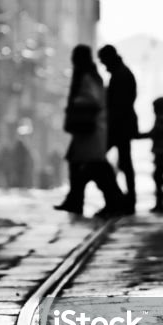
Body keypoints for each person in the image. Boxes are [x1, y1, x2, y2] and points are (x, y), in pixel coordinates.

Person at [54, 45, 125, 217]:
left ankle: (112, 201)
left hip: (90, 128)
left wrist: (76, 104)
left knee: (94, 166)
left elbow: (92, 100)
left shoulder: (87, 77)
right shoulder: (91, 75)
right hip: (87, 129)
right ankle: (77, 200)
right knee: (81, 163)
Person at [97, 45, 138, 214]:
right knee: (124, 162)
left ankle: (118, 200)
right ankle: (125, 200)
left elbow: (118, 104)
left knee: (99, 159)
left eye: (104, 62)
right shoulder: (121, 73)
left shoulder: (121, 75)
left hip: (118, 126)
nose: (104, 66)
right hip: (121, 125)